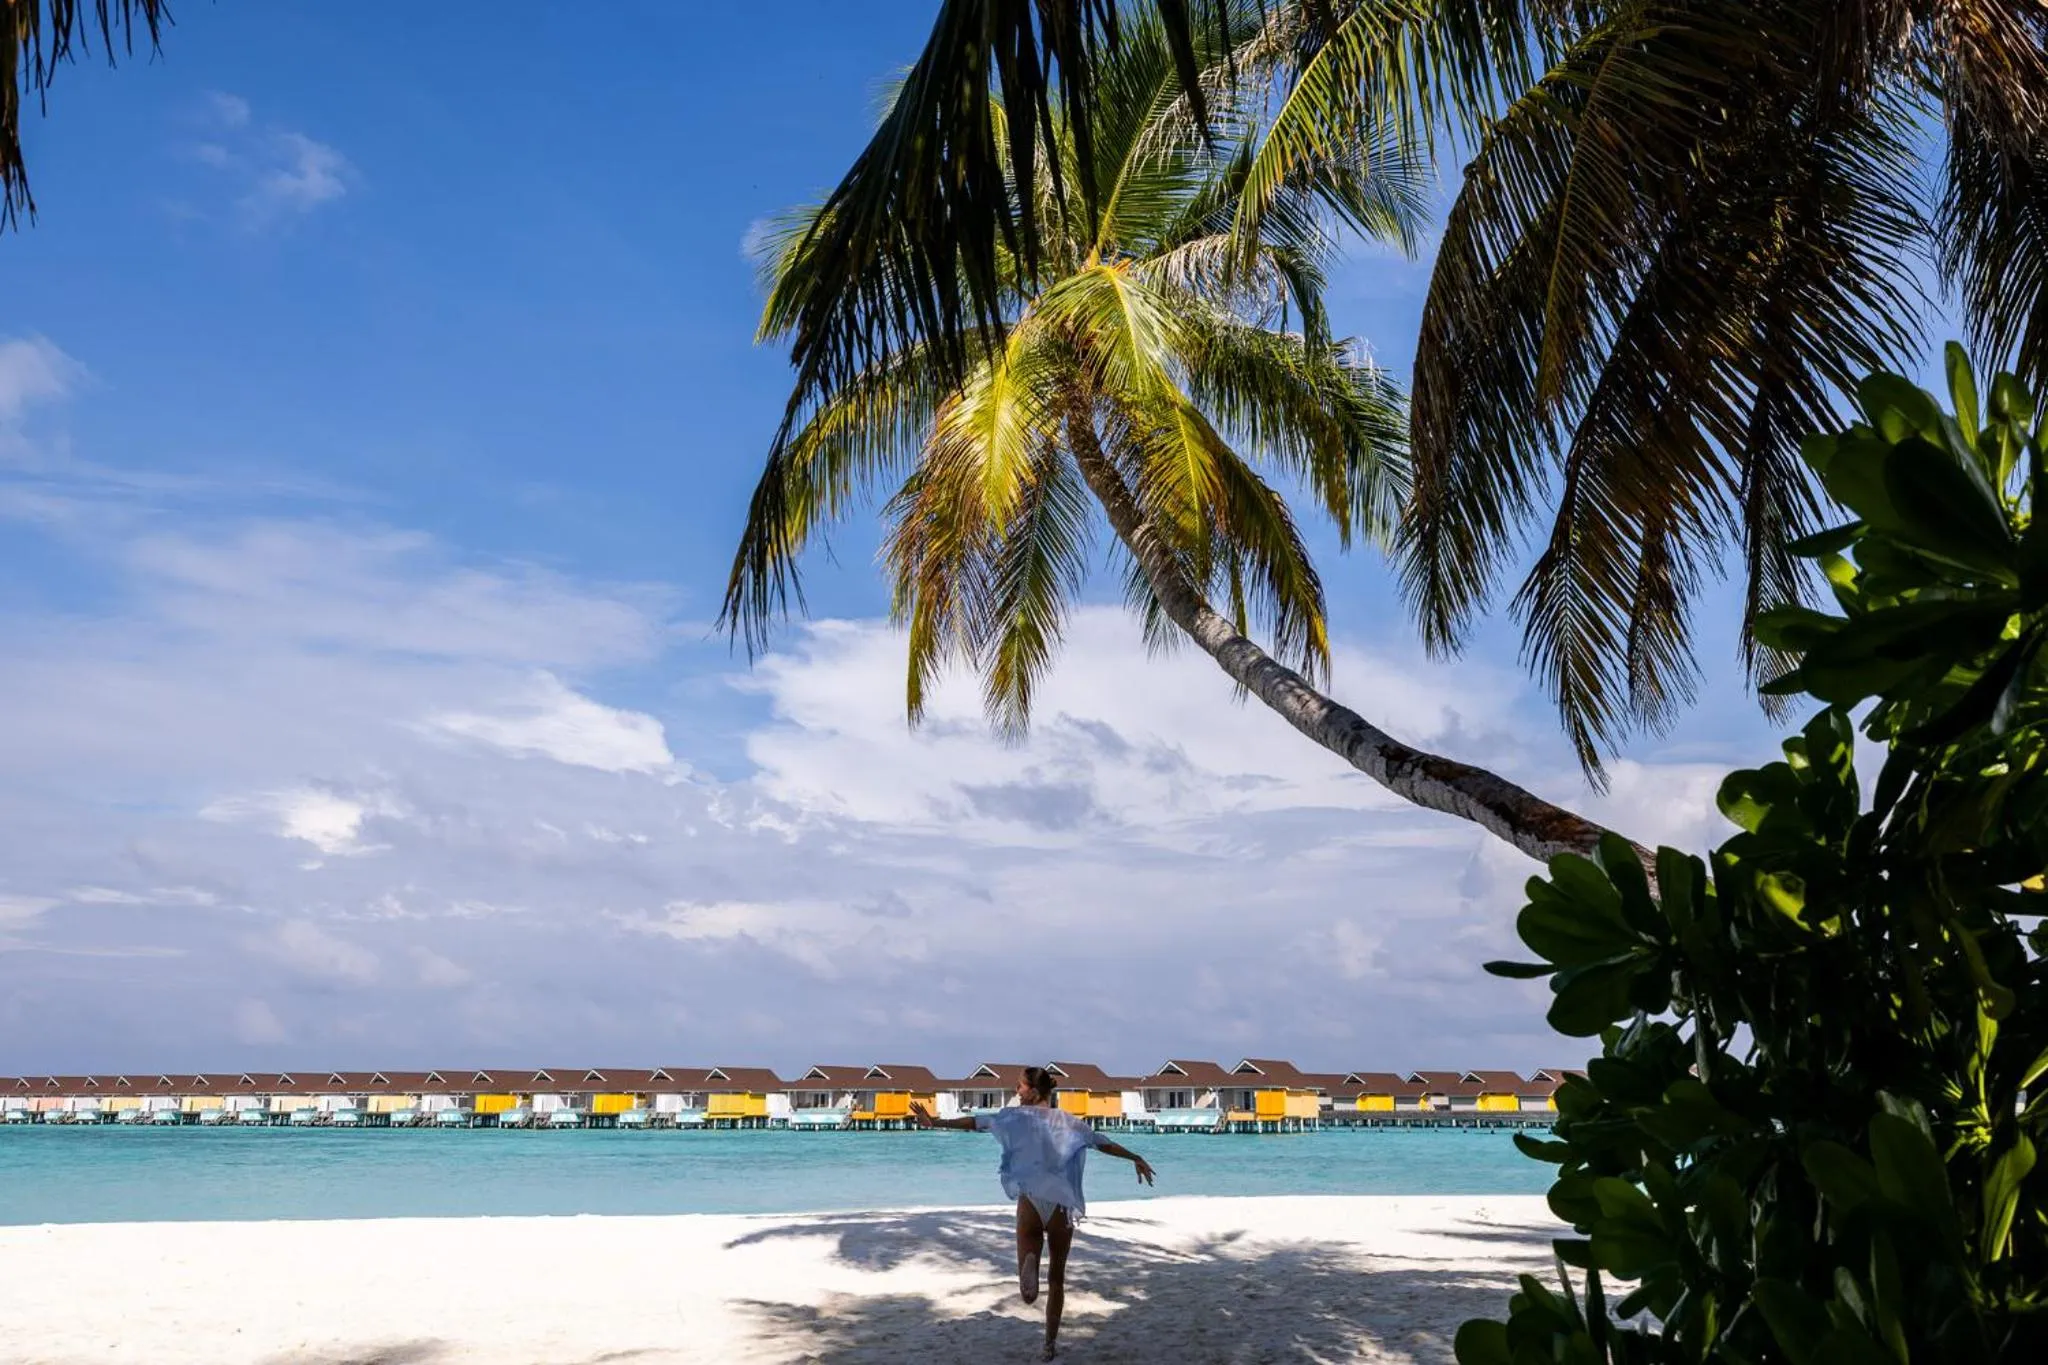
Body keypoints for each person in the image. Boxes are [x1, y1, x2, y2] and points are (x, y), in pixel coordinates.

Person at [908, 1065, 1156, 1360]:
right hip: (1060, 1207)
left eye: (1020, 1087)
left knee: (1030, 1290)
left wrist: (935, 1122)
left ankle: (1028, 1268)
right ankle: (1049, 1345)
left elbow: (975, 1122)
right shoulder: (1069, 1122)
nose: (1017, 1091)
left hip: (1030, 1203)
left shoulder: (1011, 1117)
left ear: (1034, 1093)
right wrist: (1135, 1157)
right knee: (1057, 1279)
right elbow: (1103, 1142)